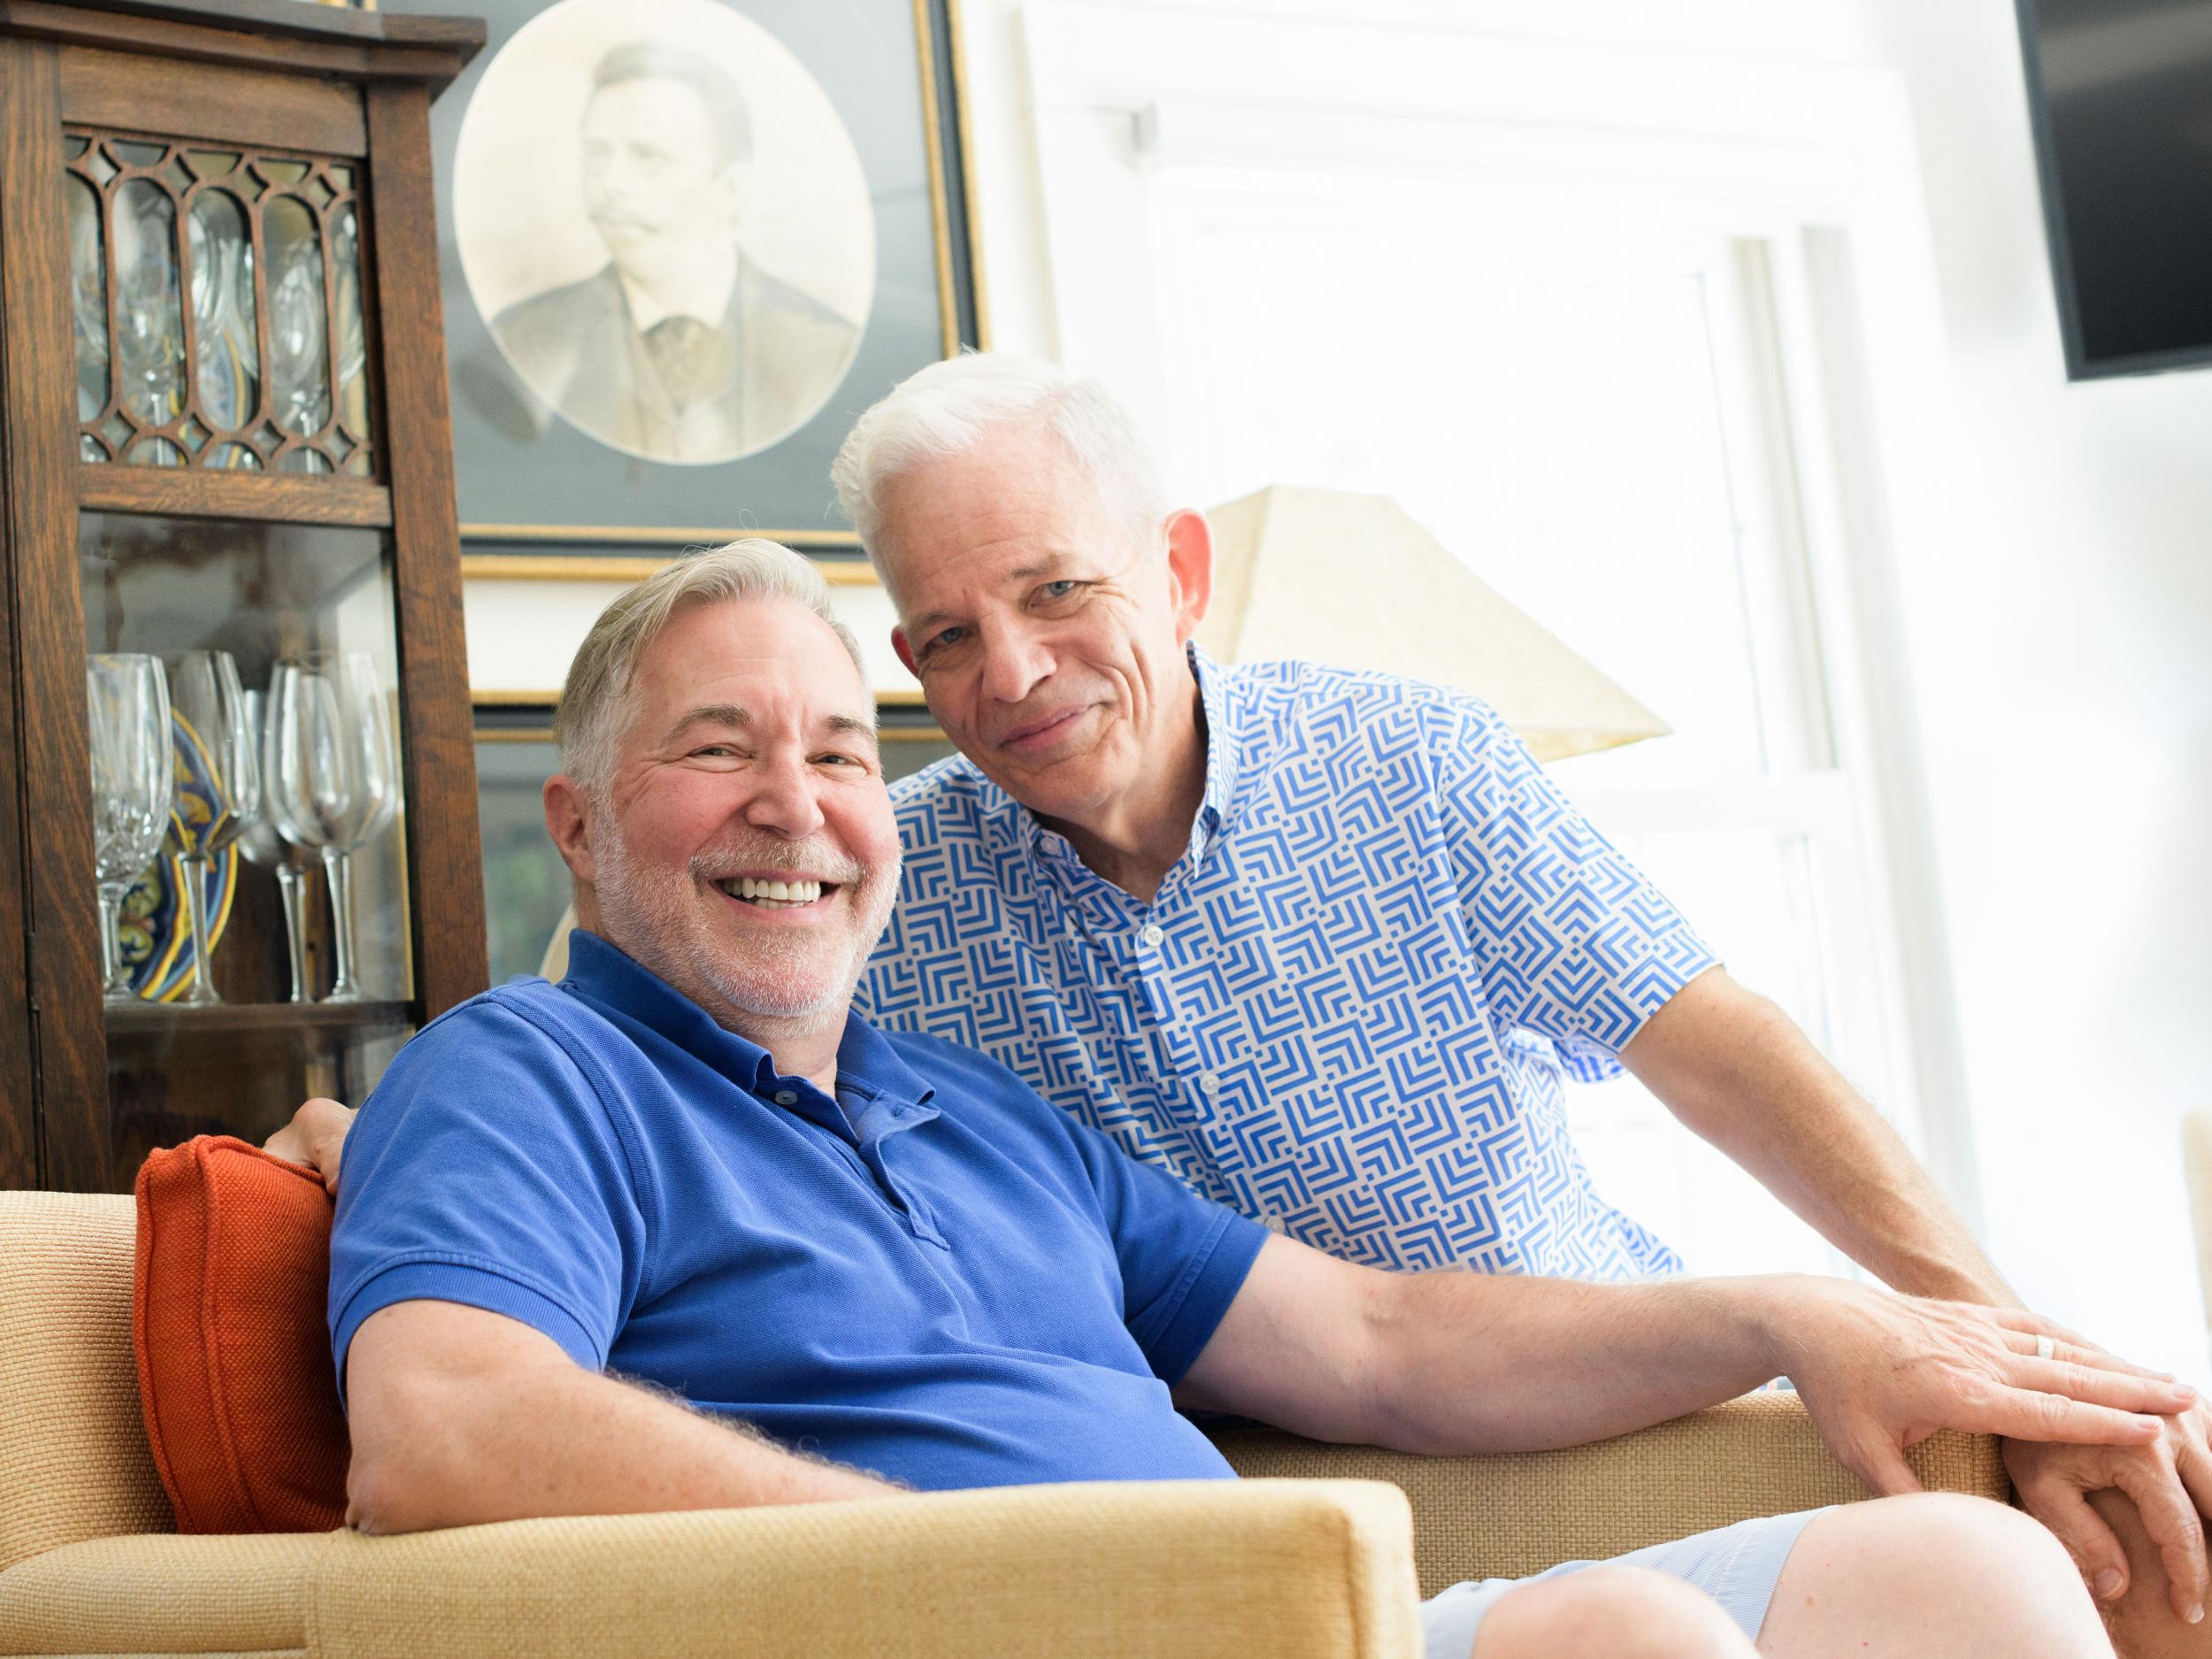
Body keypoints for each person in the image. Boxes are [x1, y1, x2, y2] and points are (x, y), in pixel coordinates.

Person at [276, 357, 2212, 1649]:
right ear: (585, 825)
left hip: (1326, 1565)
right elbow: (455, 1396)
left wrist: (1855, 1313)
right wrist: (393, 1142)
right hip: (1108, 1611)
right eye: (943, 640)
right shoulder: (534, 1067)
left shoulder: (958, 1083)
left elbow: (1372, 1336)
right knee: (1626, 1638)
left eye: (831, 755)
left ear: (1177, 573)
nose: (800, 806)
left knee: (1954, 1573)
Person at [487, 42, 860, 463]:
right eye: (597, 155)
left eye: (647, 156)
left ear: (730, 188)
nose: (609, 182)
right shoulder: (519, 340)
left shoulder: (826, 349)